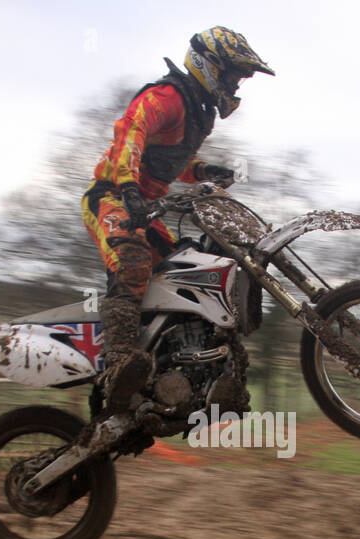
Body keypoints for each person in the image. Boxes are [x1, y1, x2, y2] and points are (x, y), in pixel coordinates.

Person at [81, 26, 273, 413]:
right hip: (111, 197)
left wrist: (201, 171)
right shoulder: (168, 97)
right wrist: (129, 188)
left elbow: (167, 162)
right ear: (211, 66)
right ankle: (118, 365)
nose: (237, 84)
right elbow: (130, 133)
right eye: (234, 74)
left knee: (189, 274)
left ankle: (176, 366)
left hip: (146, 208)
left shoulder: (199, 113)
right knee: (133, 262)